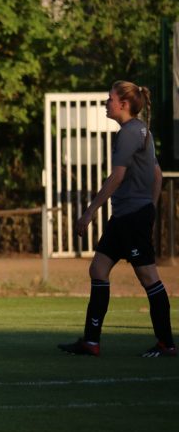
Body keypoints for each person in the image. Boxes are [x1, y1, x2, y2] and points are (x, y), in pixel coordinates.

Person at [58, 81, 176, 357]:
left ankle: (166, 343)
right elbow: (157, 175)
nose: (106, 103)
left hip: (131, 218)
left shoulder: (128, 134)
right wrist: (151, 208)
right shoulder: (142, 131)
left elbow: (117, 177)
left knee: (148, 276)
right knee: (98, 269)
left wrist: (89, 212)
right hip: (127, 217)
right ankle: (91, 342)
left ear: (123, 104)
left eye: (109, 98)